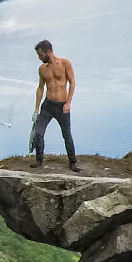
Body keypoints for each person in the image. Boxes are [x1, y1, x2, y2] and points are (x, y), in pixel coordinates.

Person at [30, 40, 79, 171]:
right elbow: (40, 88)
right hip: (48, 105)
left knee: (66, 134)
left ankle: (72, 162)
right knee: (38, 133)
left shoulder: (65, 63)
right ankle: (39, 160)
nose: (39, 58)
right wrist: (36, 109)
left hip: (62, 105)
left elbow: (72, 83)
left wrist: (68, 102)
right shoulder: (42, 69)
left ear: (48, 52)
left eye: (41, 55)